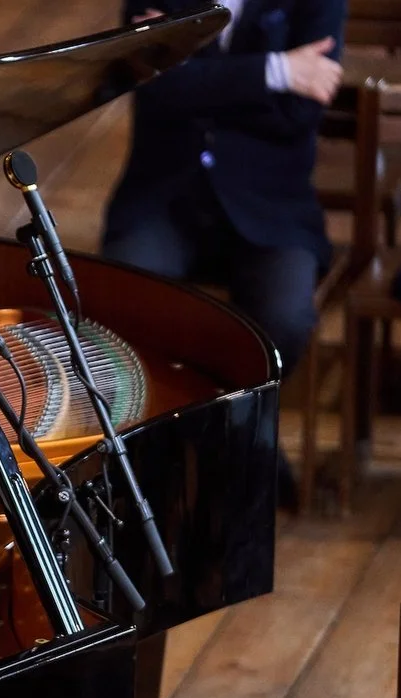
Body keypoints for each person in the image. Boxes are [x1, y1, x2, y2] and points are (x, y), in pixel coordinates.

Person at [103, 0, 345, 408]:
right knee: (127, 303)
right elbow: (155, 88)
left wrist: (194, 77)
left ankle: (230, 435)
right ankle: (156, 438)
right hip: (165, 196)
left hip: (271, 205)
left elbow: (299, 112)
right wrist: (278, 71)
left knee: (284, 319)